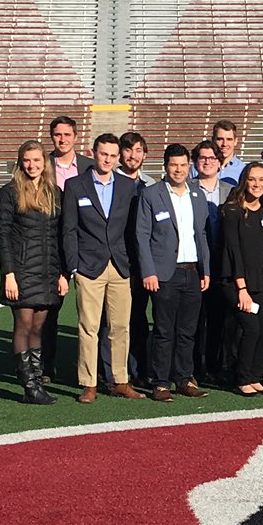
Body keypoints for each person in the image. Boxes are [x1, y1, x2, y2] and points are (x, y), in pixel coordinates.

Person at [60, 132, 142, 403]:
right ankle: (89, 383)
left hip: (119, 266)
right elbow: (69, 229)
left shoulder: (127, 186)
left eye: (112, 155)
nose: (107, 159)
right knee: (88, 327)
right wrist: (73, 265)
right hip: (88, 267)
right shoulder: (75, 185)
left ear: (118, 158)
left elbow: (132, 231)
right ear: (93, 153)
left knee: (120, 326)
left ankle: (120, 379)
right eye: (103, 154)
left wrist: (131, 264)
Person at [137, 143, 212, 401]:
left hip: (192, 272)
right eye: (173, 165)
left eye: (182, 165)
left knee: (187, 330)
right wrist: (148, 271)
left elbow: (201, 234)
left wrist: (206, 269)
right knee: (164, 329)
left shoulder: (197, 194)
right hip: (163, 273)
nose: (178, 170)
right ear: (165, 166)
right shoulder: (151, 194)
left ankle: (184, 378)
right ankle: (160, 382)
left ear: (188, 166)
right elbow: (142, 236)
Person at [0, 139, 65, 406]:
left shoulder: (54, 192)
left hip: (47, 271)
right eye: (27, 160)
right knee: (23, 327)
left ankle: (36, 379)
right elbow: (1, 235)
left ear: (44, 162)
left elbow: (57, 235)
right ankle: (29, 386)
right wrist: (8, 273)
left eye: (37, 160)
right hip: (22, 271)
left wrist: (61, 273)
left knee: (39, 327)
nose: (32, 165)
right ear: (20, 162)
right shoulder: (10, 192)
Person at [220, 160, 263, 396]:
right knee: (251, 329)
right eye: (252, 179)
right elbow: (233, 251)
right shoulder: (232, 210)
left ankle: (255, 376)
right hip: (235, 280)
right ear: (244, 181)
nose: (257, 184)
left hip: (259, 278)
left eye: (262, 180)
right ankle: (242, 378)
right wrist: (241, 287)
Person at [44, 114, 88, 382]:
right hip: (50, 244)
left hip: (84, 245)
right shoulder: (41, 163)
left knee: (90, 313)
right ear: (52, 137)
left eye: (67, 134)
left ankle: (89, 367)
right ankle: (47, 367)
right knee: (49, 311)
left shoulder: (88, 166)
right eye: (58, 135)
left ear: (75, 136)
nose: (62, 139)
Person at [118, 129, 154, 385]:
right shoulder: (109, 181)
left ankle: (139, 369)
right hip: (116, 261)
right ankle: (111, 371)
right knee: (114, 321)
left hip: (142, 263)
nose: (133, 155)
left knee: (139, 318)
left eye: (138, 150)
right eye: (129, 150)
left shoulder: (151, 185)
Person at [191, 141, 230, 380]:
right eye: (202, 157)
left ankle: (217, 365)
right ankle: (195, 366)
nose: (207, 161)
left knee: (219, 317)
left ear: (219, 162)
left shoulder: (230, 190)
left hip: (222, 260)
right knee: (195, 318)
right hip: (195, 261)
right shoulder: (186, 187)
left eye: (212, 157)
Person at [212, 118, 242, 187]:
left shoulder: (243, 170)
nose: (224, 144)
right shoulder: (198, 168)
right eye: (220, 139)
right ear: (213, 139)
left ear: (235, 141)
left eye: (229, 139)